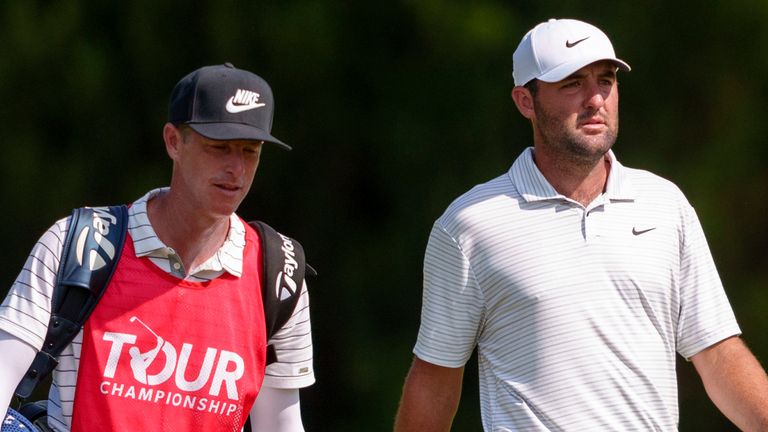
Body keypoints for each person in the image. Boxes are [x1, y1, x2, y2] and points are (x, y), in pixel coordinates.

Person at [394, 18, 768, 431]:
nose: (595, 99)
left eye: (605, 80)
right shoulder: (468, 225)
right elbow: (435, 378)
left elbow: (716, 352)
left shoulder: (665, 204)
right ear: (525, 101)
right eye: (572, 83)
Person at [0, 63, 314, 431]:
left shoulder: (277, 274)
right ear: (173, 141)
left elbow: (281, 424)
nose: (237, 169)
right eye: (219, 147)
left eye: (250, 151)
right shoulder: (80, 243)